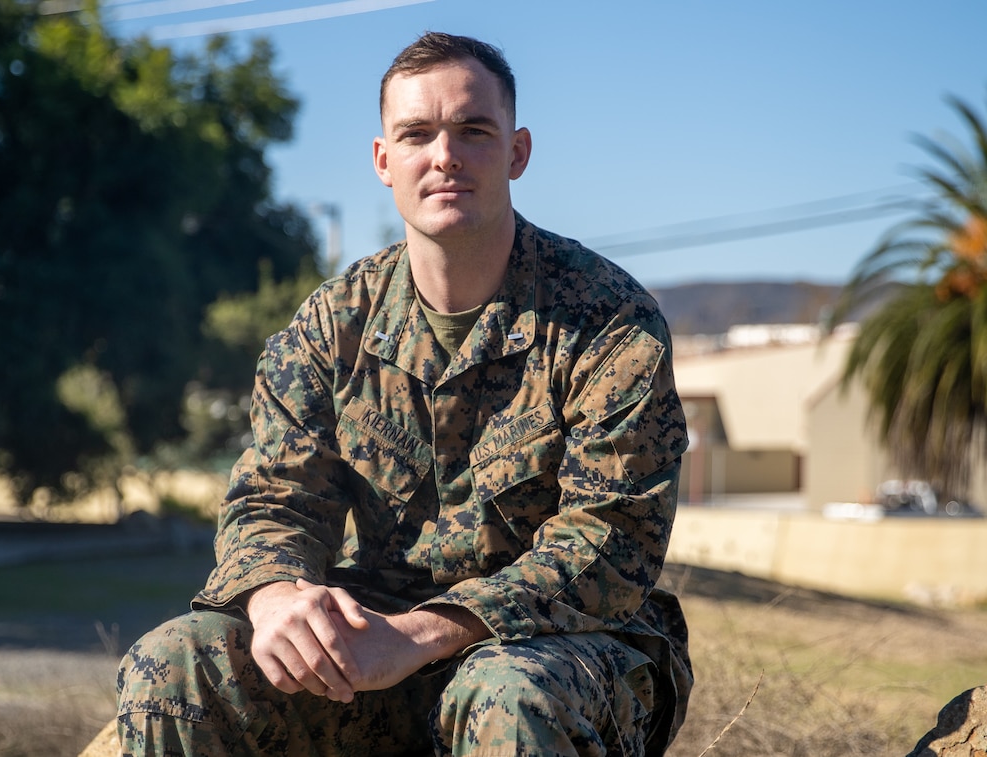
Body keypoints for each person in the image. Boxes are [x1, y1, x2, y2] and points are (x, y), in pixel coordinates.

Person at [117, 31, 692, 756]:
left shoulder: (607, 321)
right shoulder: (333, 325)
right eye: (417, 134)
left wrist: (417, 634)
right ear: (384, 161)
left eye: (473, 131)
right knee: (176, 663)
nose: (445, 156)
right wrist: (279, 600)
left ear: (517, 152)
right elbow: (274, 499)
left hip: (560, 647)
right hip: (372, 650)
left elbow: (608, 544)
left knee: (508, 696)